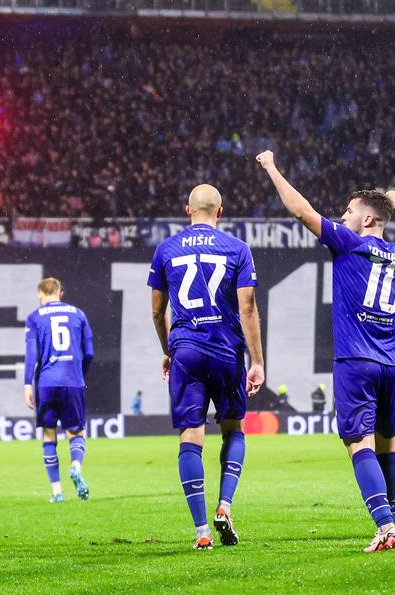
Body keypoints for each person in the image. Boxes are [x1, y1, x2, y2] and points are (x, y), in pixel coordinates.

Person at [257, 149, 395, 553]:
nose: (343, 215)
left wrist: (271, 168)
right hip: (392, 365)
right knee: (390, 444)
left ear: (367, 219)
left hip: (356, 362)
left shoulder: (349, 244)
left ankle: (386, 528)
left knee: (360, 445)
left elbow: (301, 211)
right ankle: (392, 520)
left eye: (349, 210)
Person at [148, 183, 265, 550]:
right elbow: (246, 308)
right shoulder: (237, 249)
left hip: (186, 349)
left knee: (190, 435)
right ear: (220, 211)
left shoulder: (166, 250)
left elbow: (156, 309)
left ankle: (201, 531)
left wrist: (169, 348)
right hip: (226, 349)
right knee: (233, 430)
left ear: (187, 210)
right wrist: (257, 360)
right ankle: (225, 506)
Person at [23, 276, 96, 502]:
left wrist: (27, 384)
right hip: (72, 381)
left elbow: (32, 354)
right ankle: (75, 466)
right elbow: (90, 352)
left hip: (46, 382)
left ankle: (57, 492)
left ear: (42, 295)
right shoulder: (79, 314)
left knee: (48, 434)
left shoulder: (35, 317)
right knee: (76, 432)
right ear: (60, 293)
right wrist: (79, 374)